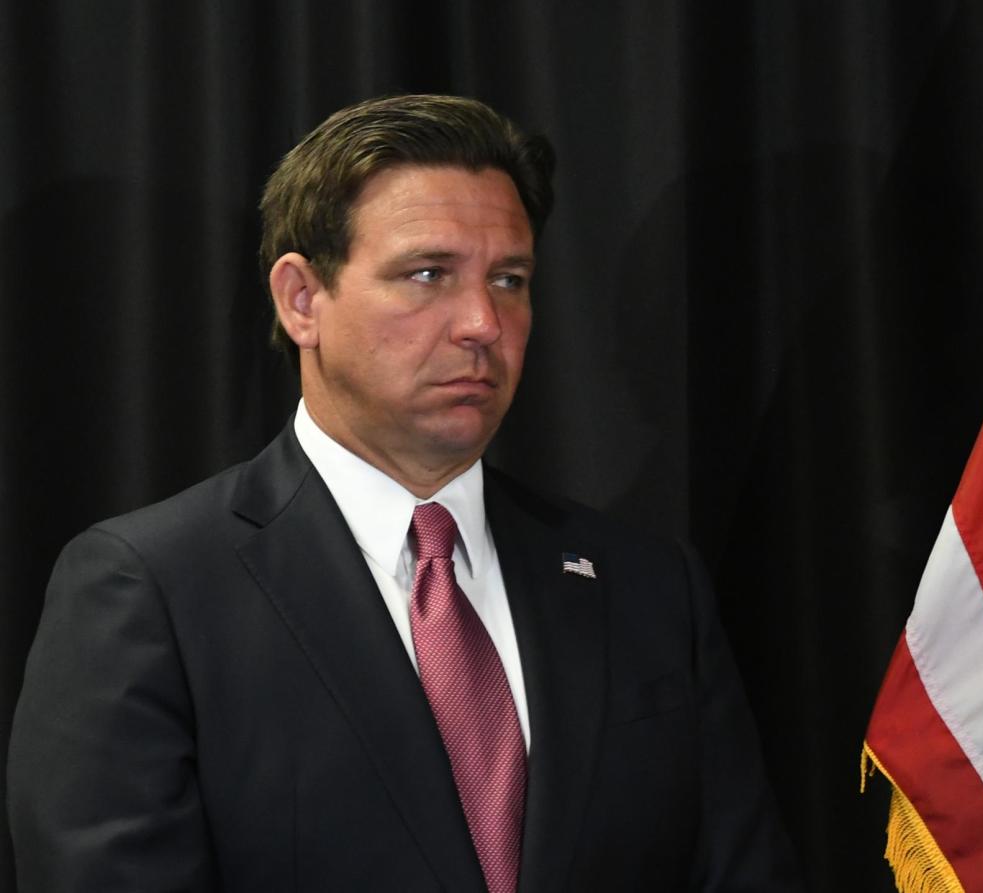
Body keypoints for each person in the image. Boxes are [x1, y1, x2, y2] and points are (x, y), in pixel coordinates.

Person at [7, 94, 802, 892]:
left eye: (510, 278)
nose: (484, 322)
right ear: (301, 299)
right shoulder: (149, 591)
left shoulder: (650, 588)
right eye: (428, 274)